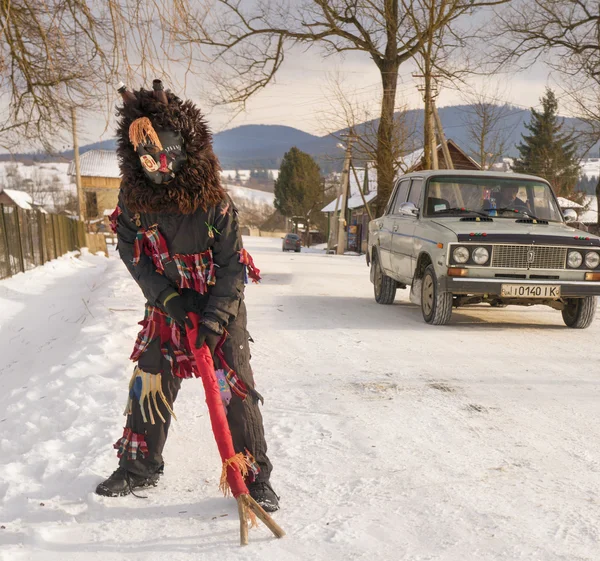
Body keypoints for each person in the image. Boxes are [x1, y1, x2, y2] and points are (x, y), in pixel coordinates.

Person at [95, 81, 279, 512]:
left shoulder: (214, 202)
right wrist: (167, 300)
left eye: (157, 154)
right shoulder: (134, 200)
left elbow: (233, 266)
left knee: (234, 387)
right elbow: (131, 252)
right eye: (141, 157)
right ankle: (138, 465)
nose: (151, 165)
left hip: (219, 304)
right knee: (151, 377)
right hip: (169, 304)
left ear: (180, 148)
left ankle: (254, 478)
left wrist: (214, 320)